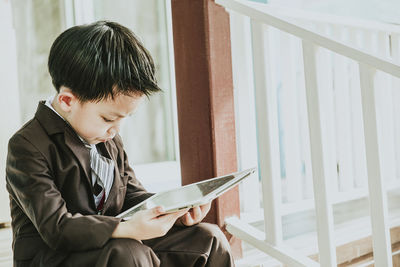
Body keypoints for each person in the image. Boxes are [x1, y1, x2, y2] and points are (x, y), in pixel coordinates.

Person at [6, 20, 234, 267]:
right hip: (55, 256)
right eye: (108, 118)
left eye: (125, 118)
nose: (116, 129)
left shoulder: (108, 136)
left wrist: (174, 212)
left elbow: (131, 196)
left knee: (208, 239)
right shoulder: (27, 146)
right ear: (67, 101)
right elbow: (57, 227)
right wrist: (126, 228)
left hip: (113, 246)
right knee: (129, 252)